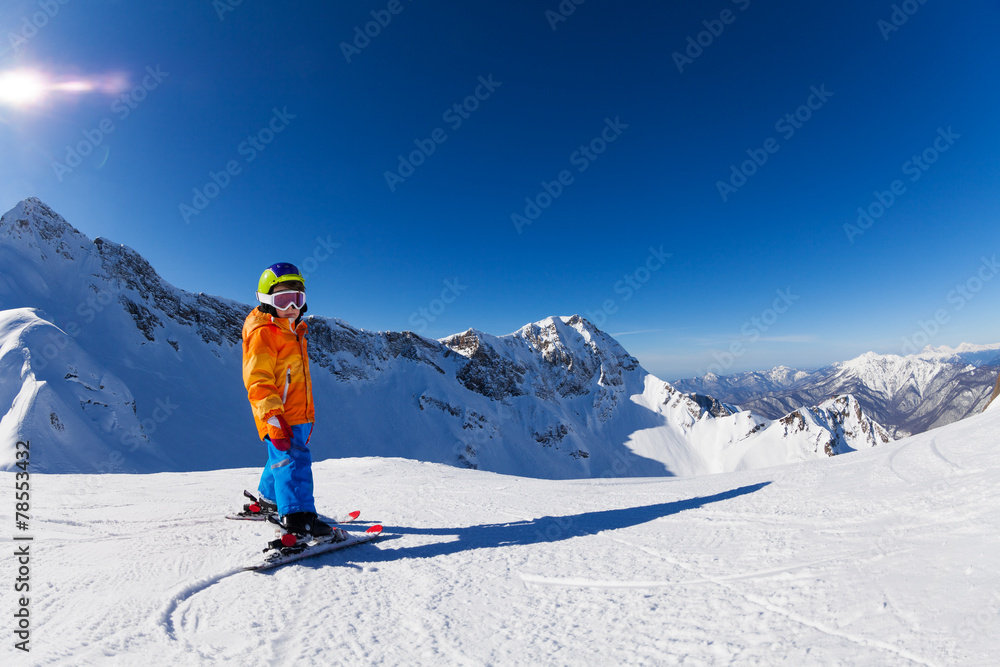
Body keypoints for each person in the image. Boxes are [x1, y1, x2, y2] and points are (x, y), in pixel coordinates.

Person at [241, 261, 337, 539]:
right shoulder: (265, 333)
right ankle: (299, 518)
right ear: (266, 300)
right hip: (280, 413)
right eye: (284, 299)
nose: (292, 306)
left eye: (298, 299)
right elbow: (257, 380)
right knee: (293, 460)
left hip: (296, 410)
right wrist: (273, 415)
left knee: (282, 457)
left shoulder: (290, 329)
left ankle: (270, 500)